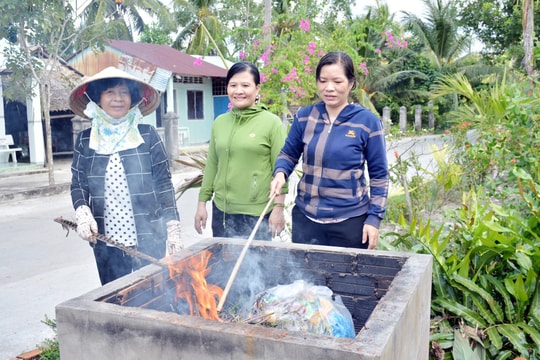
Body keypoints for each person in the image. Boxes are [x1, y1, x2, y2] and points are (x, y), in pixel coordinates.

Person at [69, 66, 182, 285]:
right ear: (98, 97)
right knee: (115, 297)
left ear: (133, 98)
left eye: (124, 92)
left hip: (149, 237)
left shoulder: (147, 136)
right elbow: (78, 184)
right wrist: (82, 212)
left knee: (153, 295)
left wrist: (173, 226)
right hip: (106, 240)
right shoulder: (86, 140)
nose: (117, 98)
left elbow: (163, 185)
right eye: (110, 92)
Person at [269, 51, 389, 249]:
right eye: (323, 81)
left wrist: (374, 219)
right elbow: (288, 154)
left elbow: (380, 175)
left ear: (351, 83)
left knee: (345, 280)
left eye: (337, 81)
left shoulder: (367, 122)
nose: (329, 88)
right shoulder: (305, 116)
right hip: (306, 220)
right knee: (304, 280)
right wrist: (281, 173)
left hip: (350, 222)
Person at [194, 61, 288, 240]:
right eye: (233, 85)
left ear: (257, 88)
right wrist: (202, 203)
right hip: (222, 211)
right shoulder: (220, 123)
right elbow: (212, 165)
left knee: (256, 267)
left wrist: (278, 209)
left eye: (245, 85)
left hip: (257, 214)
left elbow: (282, 170)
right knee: (223, 266)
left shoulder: (272, 123)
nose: (239, 91)